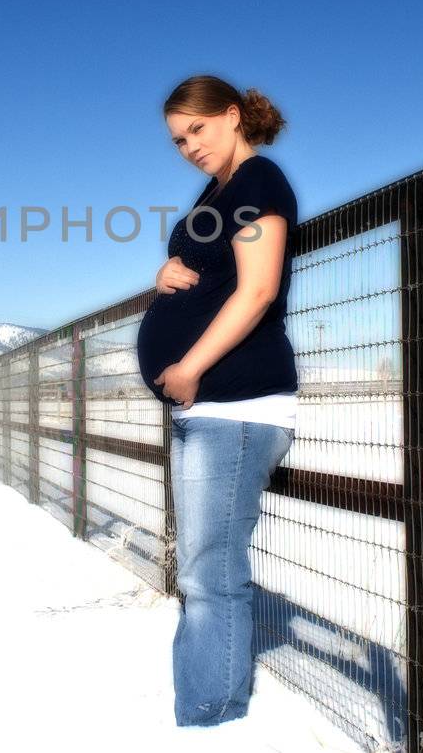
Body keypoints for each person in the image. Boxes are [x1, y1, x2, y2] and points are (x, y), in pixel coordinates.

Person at [134, 74, 300, 729]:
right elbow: (198, 266)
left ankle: (214, 714)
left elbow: (257, 290)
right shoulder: (216, 193)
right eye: (178, 139)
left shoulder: (260, 181)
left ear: (232, 115)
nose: (188, 146)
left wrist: (190, 366)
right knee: (202, 570)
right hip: (205, 407)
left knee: (209, 574)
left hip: (237, 402)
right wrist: (163, 274)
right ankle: (205, 703)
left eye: (197, 129)